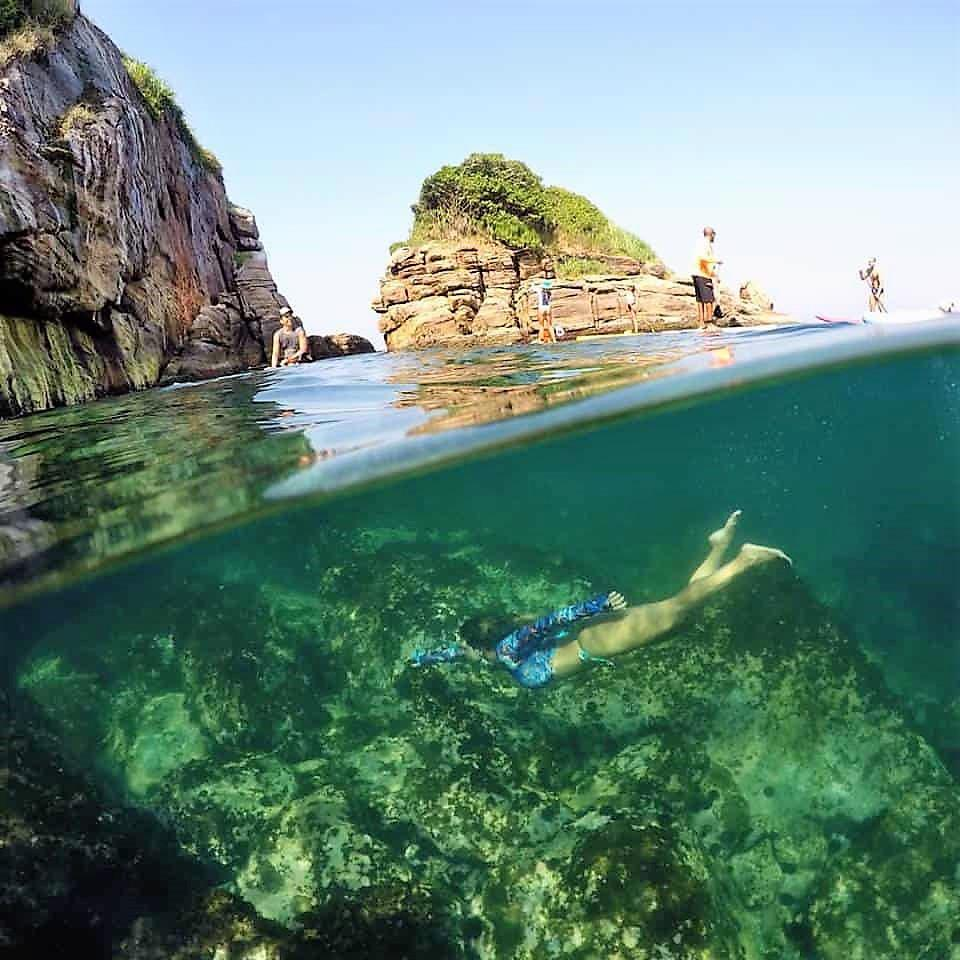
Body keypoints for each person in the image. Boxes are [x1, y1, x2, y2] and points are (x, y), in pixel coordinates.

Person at [411, 510, 791, 689]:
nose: (464, 652)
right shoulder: (493, 651)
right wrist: (422, 659)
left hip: (597, 641)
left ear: (484, 646)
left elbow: (551, 621)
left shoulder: (508, 649)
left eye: (468, 648)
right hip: (593, 642)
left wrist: (597, 606)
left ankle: (745, 559)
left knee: (678, 608)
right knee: (682, 618)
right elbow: (455, 652)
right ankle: (718, 547)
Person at [692, 226, 722, 329]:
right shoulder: (705, 244)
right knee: (709, 299)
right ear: (712, 234)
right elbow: (703, 258)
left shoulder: (700, 243)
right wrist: (716, 260)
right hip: (703, 274)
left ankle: (701, 324)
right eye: (714, 235)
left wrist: (714, 274)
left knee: (700, 299)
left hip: (697, 273)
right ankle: (709, 323)